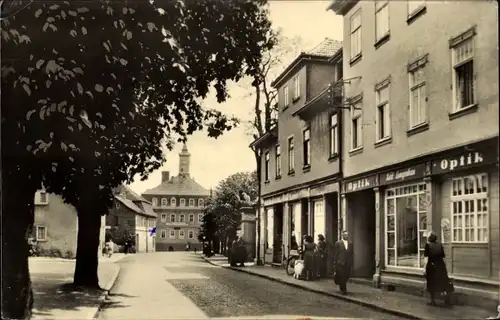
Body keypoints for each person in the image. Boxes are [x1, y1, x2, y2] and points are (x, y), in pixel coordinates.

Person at [424, 231, 452, 306]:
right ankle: (447, 300)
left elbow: (426, 258)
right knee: (443, 282)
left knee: (431, 283)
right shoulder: (440, 245)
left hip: (431, 266)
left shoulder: (428, 245)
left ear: (429, 238)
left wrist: (424, 269)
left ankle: (432, 301)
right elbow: (443, 256)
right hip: (441, 266)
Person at [334, 230, 353, 294]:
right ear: (342, 235)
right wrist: (335, 262)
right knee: (342, 275)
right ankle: (344, 289)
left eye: (347, 235)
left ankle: (341, 285)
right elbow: (336, 253)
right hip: (340, 262)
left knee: (347, 275)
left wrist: (351, 261)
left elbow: (351, 253)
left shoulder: (350, 243)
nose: (346, 236)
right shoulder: (338, 243)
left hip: (348, 262)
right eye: (345, 235)